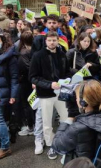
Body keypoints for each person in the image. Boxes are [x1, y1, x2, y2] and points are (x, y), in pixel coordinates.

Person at [52, 80, 101, 168]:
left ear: (83, 102)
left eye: (76, 97)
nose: (75, 100)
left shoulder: (77, 128)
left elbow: (57, 146)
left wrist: (70, 116)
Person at [29, 31, 71, 160]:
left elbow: (67, 72)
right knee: (47, 123)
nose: (52, 42)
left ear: (58, 41)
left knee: (66, 119)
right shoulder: (38, 56)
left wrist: (68, 80)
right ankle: (51, 146)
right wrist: (49, 84)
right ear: (45, 41)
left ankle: (64, 143)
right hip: (45, 94)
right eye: (49, 40)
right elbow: (33, 77)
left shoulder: (62, 54)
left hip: (61, 92)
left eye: (54, 40)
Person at [17, 32, 35, 137]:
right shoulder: (35, 50)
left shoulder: (23, 53)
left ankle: (30, 126)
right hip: (32, 81)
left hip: (25, 81)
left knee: (27, 104)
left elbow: (26, 68)